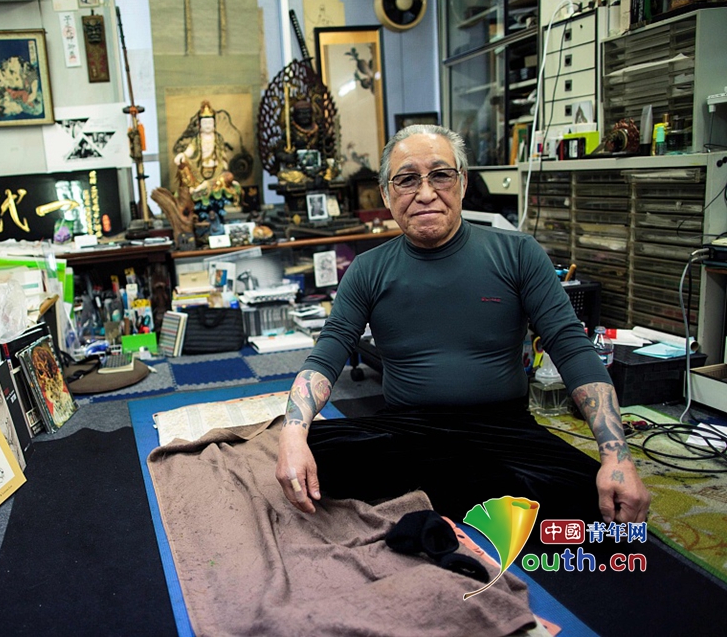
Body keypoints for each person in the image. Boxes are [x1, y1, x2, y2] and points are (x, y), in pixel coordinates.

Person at [275, 124, 650, 529]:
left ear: (463, 182)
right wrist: (293, 434)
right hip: (406, 432)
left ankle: (437, 498)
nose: (425, 193)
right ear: (385, 193)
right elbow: (328, 351)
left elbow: (570, 345)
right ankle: (472, 499)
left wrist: (617, 456)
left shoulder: (519, 253)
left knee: (601, 506)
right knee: (311, 455)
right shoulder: (367, 269)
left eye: (440, 175)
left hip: (503, 432)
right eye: (406, 180)